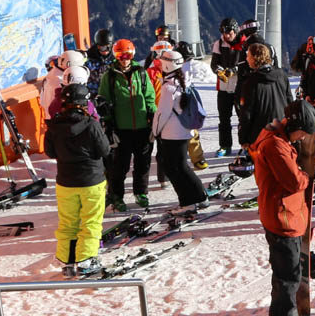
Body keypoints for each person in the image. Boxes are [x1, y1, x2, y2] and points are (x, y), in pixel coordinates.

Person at [252, 98, 315, 316]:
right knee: (287, 278)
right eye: (303, 133)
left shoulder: (280, 138)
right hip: (282, 219)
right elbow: (294, 181)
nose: (303, 138)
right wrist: (307, 176)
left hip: (284, 214)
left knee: (288, 274)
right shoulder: (275, 146)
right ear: (294, 126)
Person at [45, 82, 111, 277]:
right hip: (91, 180)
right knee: (91, 221)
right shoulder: (91, 124)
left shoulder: (54, 125)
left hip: (65, 181)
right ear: (85, 103)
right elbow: (105, 150)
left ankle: (67, 261)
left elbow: (50, 152)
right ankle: (86, 259)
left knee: (68, 222)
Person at [97, 39, 155, 212]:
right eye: (120, 55)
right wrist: (108, 125)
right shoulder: (109, 76)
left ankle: (141, 192)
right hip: (121, 128)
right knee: (119, 166)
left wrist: (153, 119)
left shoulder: (141, 73)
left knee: (142, 163)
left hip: (142, 126)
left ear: (133, 55)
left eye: (128, 55)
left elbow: (149, 96)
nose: (124, 59)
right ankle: (117, 196)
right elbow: (104, 101)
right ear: (116, 56)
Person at [150, 49, 209, 208]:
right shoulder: (184, 82)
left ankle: (187, 201)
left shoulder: (168, 88)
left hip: (171, 134)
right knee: (181, 166)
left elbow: (161, 114)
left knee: (173, 168)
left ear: (167, 66)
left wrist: (155, 132)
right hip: (184, 131)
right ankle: (199, 197)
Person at [237, 40, 291, 150]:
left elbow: (246, 113)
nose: (246, 59)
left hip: (260, 136)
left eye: (248, 56)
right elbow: (290, 102)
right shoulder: (281, 75)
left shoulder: (250, 82)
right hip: (282, 131)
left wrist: (243, 138)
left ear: (255, 58)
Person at [210, 17, 245, 157]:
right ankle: (225, 145)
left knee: (243, 118)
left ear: (235, 30)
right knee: (224, 118)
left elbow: (246, 64)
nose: (226, 35)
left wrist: (234, 70)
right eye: (224, 32)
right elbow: (214, 63)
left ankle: (246, 145)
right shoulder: (219, 44)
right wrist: (219, 71)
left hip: (240, 87)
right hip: (223, 87)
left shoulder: (244, 44)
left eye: (229, 32)